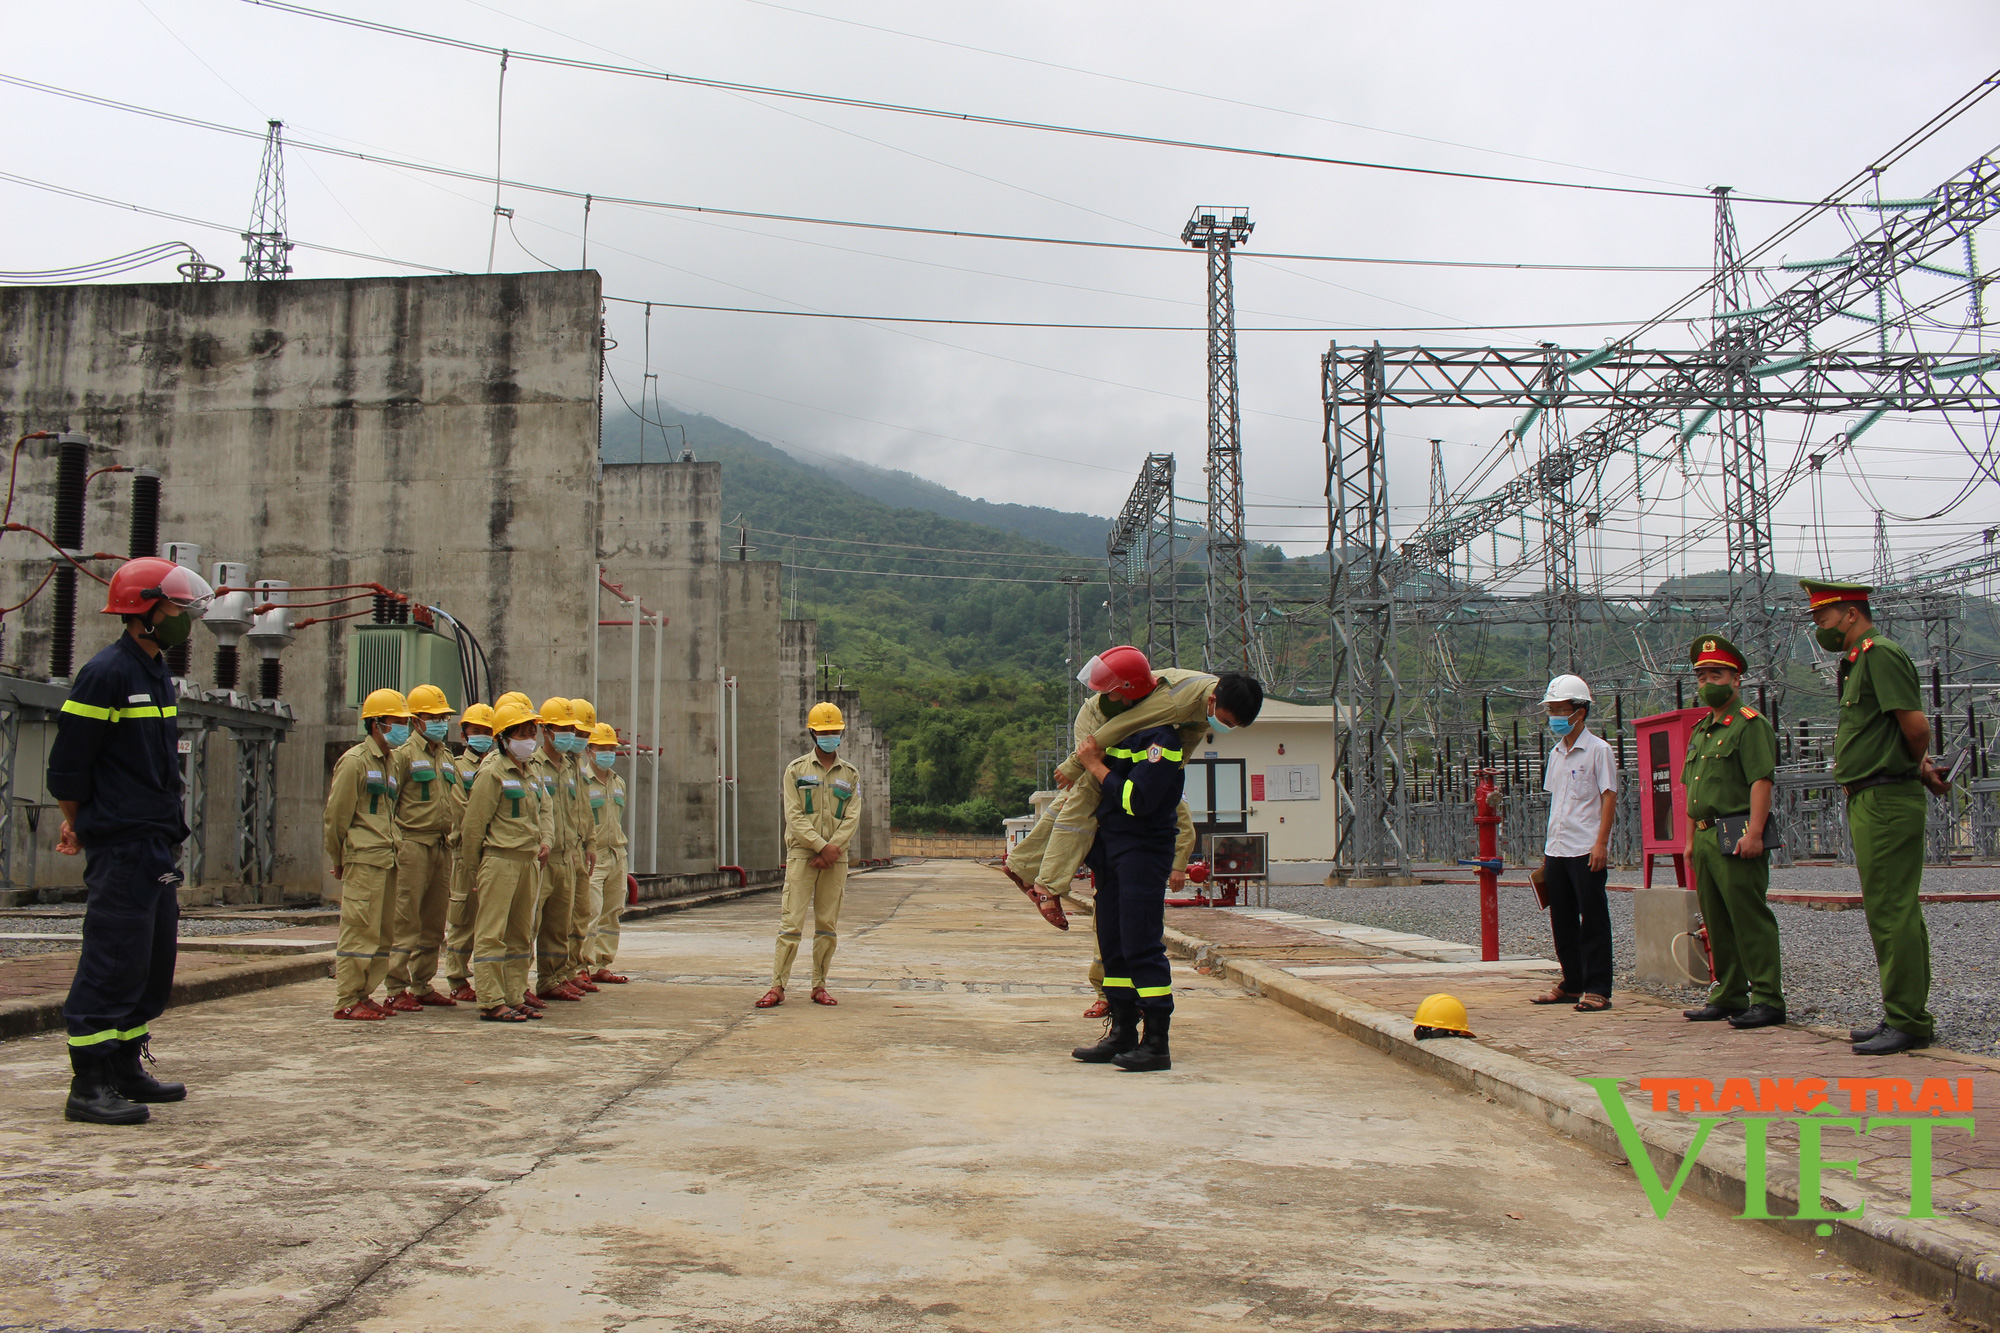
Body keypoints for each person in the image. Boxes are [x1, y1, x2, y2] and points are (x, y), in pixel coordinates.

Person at [46, 556, 214, 1125]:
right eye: (176, 609)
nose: (183, 619)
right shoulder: (107, 673)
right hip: (121, 843)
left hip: (155, 839)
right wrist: (81, 821)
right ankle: (88, 1084)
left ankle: (124, 1064)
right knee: (113, 958)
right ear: (144, 610)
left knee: (149, 961)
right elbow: (68, 770)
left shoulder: (154, 670)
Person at [1008, 647, 1262, 927]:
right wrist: (1077, 763)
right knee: (1086, 796)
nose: (1225, 727)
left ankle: (1022, 865)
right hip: (1102, 725)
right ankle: (1048, 886)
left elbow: (1191, 735)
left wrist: (1170, 773)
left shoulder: (1207, 702)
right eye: (1226, 721)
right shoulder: (1177, 702)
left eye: (1233, 726)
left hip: (1124, 729)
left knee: (1073, 799)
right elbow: (1124, 724)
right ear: (1214, 699)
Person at [1802, 580, 1952, 1055]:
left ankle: (1909, 1019)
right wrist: (1919, 765)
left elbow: (1916, 726)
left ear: (1850, 615)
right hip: (1872, 796)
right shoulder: (1859, 660)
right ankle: (1901, 1013)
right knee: (1886, 908)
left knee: (1892, 909)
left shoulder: (1879, 653)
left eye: (1824, 620)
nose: (1820, 629)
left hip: (1886, 797)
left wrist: (1914, 764)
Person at [1677, 634, 1786, 1030]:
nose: (1708, 683)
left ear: (1736, 679)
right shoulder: (1702, 729)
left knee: (1747, 915)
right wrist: (1689, 842)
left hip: (1736, 828)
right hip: (1705, 835)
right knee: (1716, 919)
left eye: (1717, 675)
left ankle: (1769, 998)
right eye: (1702, 676)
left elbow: (1761, 781)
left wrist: (1755, 832)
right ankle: (1729, 993)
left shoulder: (1749, 725)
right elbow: (1693, 788)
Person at [1069, 720, 1188, 1071]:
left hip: (1143, 849)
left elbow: (1138, 799)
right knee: (1113, 943)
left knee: (1140, 943)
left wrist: (1094, 764)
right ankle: (1121, 1030)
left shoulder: (1161, 740)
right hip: (1113, 848)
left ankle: (1155, 1042)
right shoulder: (1118, 735)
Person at [760, 701, 862, 1009]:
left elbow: (853, 816)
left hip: (836, 858)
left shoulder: (851, 774)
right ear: (813, 734)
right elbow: (794, 815)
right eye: (824, 731)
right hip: (803, 855)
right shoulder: (796, 771)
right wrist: (820, 846)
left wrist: (832, 851)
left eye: (835, 731)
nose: (830, 736)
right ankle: (777, 986)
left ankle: (820, 985)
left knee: (826, 925)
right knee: (791, 923)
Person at [1529, 674, 1619, 1013]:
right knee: (1562, 919)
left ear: (1579, 712)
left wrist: (1601, 844)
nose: (1552, 716)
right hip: (1558, 848)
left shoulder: (1599, 751)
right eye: (1550, 709)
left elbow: (1608, 797)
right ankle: (1572, 981)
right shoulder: (1556, 753)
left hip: (1585, 848)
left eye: (1557, 709)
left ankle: (1598, 987)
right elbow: (1558, 802)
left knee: (1593, 918)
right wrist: (1548, 846)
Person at [325, 688, 412, 1021]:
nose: (402, 727)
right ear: (377, 724)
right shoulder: (355, 761)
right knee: (359, 930)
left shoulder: (390, 762)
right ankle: (347, 998)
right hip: (363, 858)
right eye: (397, 721)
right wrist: (338, 858)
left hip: (386, 856)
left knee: (381, 934)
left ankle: (364, 994)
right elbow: (337, 816)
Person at [460, 698, 549, 1022]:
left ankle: (514, 994)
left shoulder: (529, 772)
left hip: (526, 860)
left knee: (520, 934)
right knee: (491, 933)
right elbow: (473, 827)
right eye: (523, 733)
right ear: (505, 737)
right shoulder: (492, 772)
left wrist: (545, 841)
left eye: (532, 732)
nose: (530, 740)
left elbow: (543, 810)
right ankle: (491, 999)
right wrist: (475, 873)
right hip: (499, 860)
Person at [383, 683, 460, 1010]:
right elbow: (388, 804)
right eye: (434, 717)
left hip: (441, 847)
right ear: (416, 721)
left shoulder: (445, 754)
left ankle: (422, 983)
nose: (441, 722)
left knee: (433, 921)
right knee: (406, 920)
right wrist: (395, 843)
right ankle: (395, 987)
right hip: (412, 845)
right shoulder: (402, 756)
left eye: (444, 716)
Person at [1081, 799, 1194, 1020]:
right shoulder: (1102, 786)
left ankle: (1144, 1004)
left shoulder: (1157, 781)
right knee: (1105, 943)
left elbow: (1185, 829)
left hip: (1142, 875)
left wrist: (1178, 866)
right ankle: (1106, 998)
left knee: (1140, 940)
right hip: (1110, 876)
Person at [529, 697, 588, 1003]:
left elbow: (579, 809)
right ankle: (519, 984)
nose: (567, 734)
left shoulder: (569, 766)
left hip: (568, 855)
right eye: (561, 728)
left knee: (558, 924)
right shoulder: (534, 765)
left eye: (570, 729)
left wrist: (586, 843)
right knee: (531, 922)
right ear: (545, 730)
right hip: (543, 857)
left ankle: (551, 978)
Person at [440, 701, 495, 1002]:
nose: (483, 736)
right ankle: (457, 977)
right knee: (463, 916)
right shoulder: (457, 768)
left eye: (488, 731)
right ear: (464, 735)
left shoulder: (496, 765)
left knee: (489, 919)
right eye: (477, 731)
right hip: (465, 851)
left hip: (494, 851)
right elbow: (461, 809)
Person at [583, 721, 631, 985]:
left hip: (616, 854)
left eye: (611, 748)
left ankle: (602, 963)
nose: (607, 753)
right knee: (590, 911)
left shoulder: (618, 782)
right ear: (589, 750)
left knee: (612, 912)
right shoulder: (581, 781)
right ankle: (583, 964)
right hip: (594, 855)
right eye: (602, 748)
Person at [562, 699, 602, 994]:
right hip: (554, 852)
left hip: (576, 851)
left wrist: (590, 843)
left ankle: (571, 969)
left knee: (579, 916)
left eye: (586, 735)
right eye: (578, 733)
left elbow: (584, 812)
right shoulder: (546, 766)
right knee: (553, 920)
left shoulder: (576, 769)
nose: (580, 739)